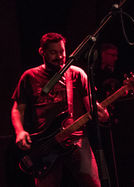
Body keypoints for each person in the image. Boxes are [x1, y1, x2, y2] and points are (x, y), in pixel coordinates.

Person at [11, 32, 109, 187]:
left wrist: (101, 114)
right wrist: (19, 132)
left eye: (61, 51)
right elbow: (18, 109)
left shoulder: (77, 74)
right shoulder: (29, 76)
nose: (59, 56)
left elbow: (92, 107)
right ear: (42, 52)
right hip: (45, 146)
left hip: (77, 141)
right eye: (53, 52)